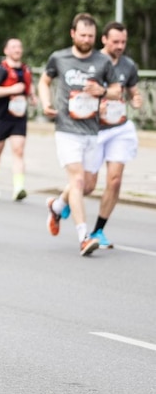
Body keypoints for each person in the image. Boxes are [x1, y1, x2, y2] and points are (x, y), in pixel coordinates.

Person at [53, 21, 143, 248]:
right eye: (115, 41)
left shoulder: (128, 65)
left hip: (119, 128)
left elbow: (131, 92)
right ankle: (60, 203)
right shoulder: (92, 61)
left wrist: (136, 99)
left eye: (123, 42)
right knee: (86, 184)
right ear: (104, 39)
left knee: (114, 180)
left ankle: (98, 231)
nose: (120, 46)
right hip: (92, 129)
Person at [38, 13, 118, 256]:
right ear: (73, 34)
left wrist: (101, 91)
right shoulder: (59, 57)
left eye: (91, 36)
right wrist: (45, 102)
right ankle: (84, 237)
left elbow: (116, 91)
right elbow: (44, 81)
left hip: (92, 130)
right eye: (82, 35)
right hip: (66, 129)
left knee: (89, 186)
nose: (86, 39)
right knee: (77, 181)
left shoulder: (102, 61)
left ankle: (57, 205)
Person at [0, 38, 36, 201]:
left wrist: (33, 97)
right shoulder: (1, 69)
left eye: (19, 47)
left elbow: (29, 87)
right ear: (6, 51)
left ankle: (18, 187)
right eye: (13, 47)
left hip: (19, 117)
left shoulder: (26, 70)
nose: (17, 50)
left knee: (19, 150)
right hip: (1, 116)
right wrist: (11, 89)